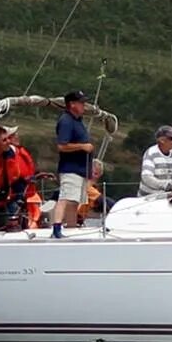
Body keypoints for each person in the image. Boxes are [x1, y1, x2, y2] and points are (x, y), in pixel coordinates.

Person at [53, 89, 95, 237]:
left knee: (74, 201)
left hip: (81, 169)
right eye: (81, 103)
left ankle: (71, 228)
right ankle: (57, 227)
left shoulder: (77, 121)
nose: (84, 105)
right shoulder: (66, 121)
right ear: (72, 104)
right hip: (71, 168)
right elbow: (62, 145)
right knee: (65, 197)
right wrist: (83, 146)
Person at [4, 126, 42, 230]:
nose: (17, 137)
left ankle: (25, 224)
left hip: (25, 189)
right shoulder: (8, 153)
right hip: (14, 190)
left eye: (15, 135)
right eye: (13, 136)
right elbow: (12, 172)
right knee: (13, 211)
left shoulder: (18, 151)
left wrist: (36, 175)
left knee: (23, 210)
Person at [140, 124, 172, 197]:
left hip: (170, 196)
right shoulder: (151, 153)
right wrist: (166, 186)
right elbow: (146, 177)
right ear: (161, 140)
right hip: (149, 197)